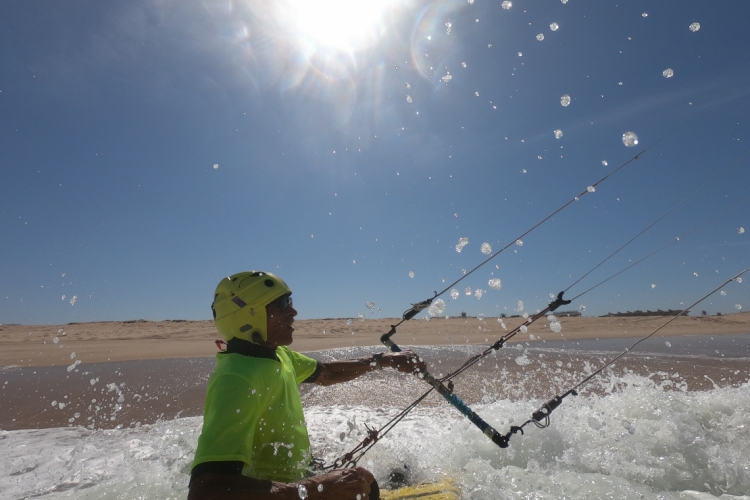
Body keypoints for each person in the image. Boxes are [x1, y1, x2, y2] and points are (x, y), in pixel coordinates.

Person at [188, 271, 426, 500]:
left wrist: (385, 360)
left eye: (289, 301)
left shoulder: (278, 355)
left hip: (294, 484)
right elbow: (206, 492)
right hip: (286, 492)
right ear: (249, 315)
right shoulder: (237, 379)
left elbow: (327, 373)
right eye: (282, 304)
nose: (293, 311)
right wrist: (317, 490)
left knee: (395, 475)